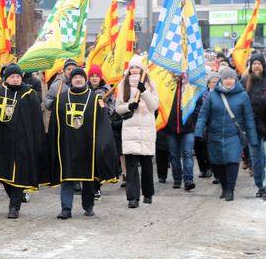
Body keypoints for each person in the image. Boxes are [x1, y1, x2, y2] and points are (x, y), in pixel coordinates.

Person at [0, 63, 49, 218]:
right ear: (6, 78)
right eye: (12, 77)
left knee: (20, 174)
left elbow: (36, 120)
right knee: (4, 174)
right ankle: (15, 197)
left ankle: (14, 207)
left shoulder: (29, 94)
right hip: (2, 142)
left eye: (17, 76)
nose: (15, 79)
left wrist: (35, 140)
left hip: (23, 142)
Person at [48, 67, 118, 218]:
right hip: (67, 145)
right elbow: (55, 124)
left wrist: (102, 144)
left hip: (88, 145)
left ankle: (88, 206)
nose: (78, 80)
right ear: (71, 80)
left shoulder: (94, 99)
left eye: (81, 77)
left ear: (84, 80)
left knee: (89, 179)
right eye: (75, 77)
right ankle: (66, 209)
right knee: (67, 178)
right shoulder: (61, 99)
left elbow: (102, 124)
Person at [195, 67, 258, 201]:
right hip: (215, 135)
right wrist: (198, 131)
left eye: (231, 78)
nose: (228, 81)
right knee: (218, 164)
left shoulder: (242, 96)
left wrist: (253, 139)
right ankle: (224, 187)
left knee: (232, 162)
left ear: (235, 79)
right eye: (225, 78)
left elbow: (249, 118)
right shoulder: (212, 95)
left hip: (234, 135)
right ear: (221, 80)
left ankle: (230, 189)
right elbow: (203, 115)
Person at [116, 55, 159, 208]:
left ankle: (148, 194)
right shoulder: (123, 84)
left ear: (142, 69)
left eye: (137, 67)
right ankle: (132, 198)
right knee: (132, 166)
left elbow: (154, 106)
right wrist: (129, 106)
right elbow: (118, 108)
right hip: (130, 131)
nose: (134, 70)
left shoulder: (150, 83)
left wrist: (144, 92)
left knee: (147, 166)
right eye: (132, 67)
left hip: (146, 130)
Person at [164, 75, 200, 191]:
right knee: (174, 155)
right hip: (171, 128)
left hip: (188, 128)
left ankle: (188, 179)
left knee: (187, 153)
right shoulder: (167, 86)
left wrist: (192, 120)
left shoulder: (192, 87)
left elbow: (198, 104)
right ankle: (177, 179)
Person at [86, 64, 116, 199]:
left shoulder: (107, 89)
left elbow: (112, 107)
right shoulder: (84, 89)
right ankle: (88, 185)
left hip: (101, 127)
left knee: (100, 156)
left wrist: (103, 110)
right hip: (86, 128)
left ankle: (97, 186)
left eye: (96, 76)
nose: (94, 78)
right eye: (92, 76)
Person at [240, 53, 266, 197]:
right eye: (254, 63)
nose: (257, 66)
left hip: (265, 125)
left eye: (259, 63)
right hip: (252, 127)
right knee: (256, 157)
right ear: (251, 66)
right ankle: (260, 185)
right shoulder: (245, 81)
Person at [195, 72, 220, 181]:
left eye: (217, 82)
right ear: (208, 84)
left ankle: (216, 173)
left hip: (218, 125)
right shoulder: (202, 94)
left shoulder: (223, 94)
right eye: (212, 82)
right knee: (204, 149)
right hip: (204, 125)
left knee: (215, 150)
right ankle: (206, 169)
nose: (214, 84)